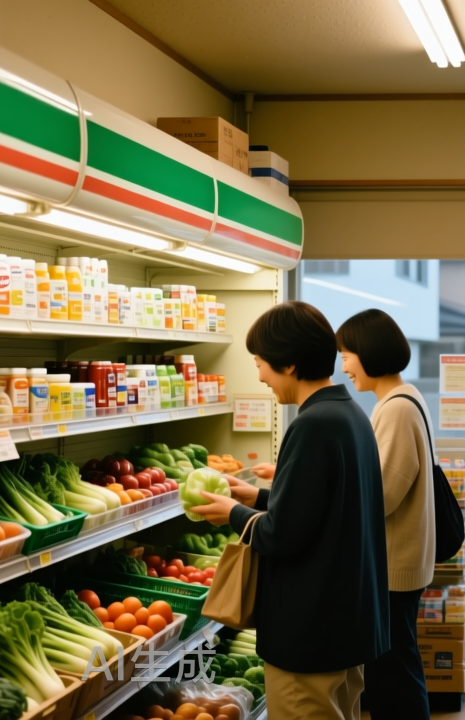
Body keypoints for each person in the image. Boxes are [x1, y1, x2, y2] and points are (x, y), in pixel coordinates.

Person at [188, 301, 389, 720]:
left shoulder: (312, 424)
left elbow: (283, 534)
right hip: (346, 622)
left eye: (261, 363)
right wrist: (258, 497)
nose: (259, 375)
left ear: (290, 364)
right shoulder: (350, 415)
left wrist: (232, 514)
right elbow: (326, 508)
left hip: (311, 632)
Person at [336, 309, 435, 720]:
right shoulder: (406, 399)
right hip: (401, 562)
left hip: (394, 566)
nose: (344, 365)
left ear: (369, 352)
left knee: (393, 674)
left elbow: (384, 494)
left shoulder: (394, 408)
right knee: (396, 669)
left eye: (348, 353)